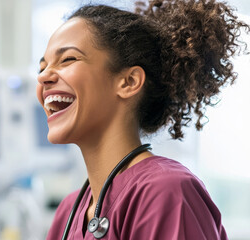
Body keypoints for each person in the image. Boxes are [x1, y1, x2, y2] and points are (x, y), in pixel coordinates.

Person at [36, 0, 249, 239]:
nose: (44, 76)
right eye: (41, 68)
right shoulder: (68, 211)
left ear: (129, 82)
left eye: (68, 60)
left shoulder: (166, 192)